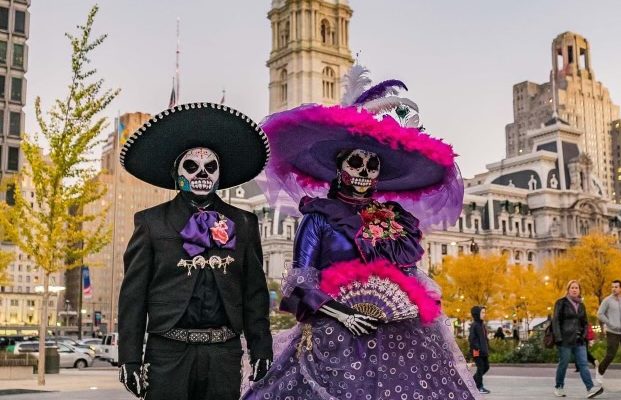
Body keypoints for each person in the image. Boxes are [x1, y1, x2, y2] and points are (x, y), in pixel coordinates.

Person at [243, 65, 480, 399]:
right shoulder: (319, 216)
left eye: (373, 166)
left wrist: (414, 299)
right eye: (357, 163)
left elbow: (407, 273)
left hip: (401, 338)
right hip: (337, 337)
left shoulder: (393, 218)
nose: (365, 172)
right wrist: (345, 314)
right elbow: (300, 284)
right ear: (340, 168)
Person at [117, 103, 273, 400]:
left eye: (210, 166)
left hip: (223, 353)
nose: (202, 173)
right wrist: (130, 358)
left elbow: (254, 292)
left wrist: (260, 347)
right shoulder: (151, 223)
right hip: (168, 353)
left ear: (219, 175)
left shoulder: (243, 222)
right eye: (191, 166)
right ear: (177, 174)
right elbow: (133, 296)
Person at [552, 280, 603, 398]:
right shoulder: (561, 303)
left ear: (579, 290)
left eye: (577, 288)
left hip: (579, 340)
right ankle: (559, 387)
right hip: (564, 340)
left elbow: (585, 322)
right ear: (568, 289)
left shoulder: (581, 305)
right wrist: (558, 337)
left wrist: (584, 334)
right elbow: (556, 321)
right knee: (563, 364)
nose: (574, 290)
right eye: (572, 288)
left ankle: (590, 388)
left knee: (583, 364)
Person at [469, 306, 491, 394]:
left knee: (486, 367)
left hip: (483, 351)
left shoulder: (482, 325)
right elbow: (472, 339)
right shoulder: (474, 325)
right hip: (476, 351)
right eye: (482, 312)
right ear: (477, 314)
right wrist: (478, 348)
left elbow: (484, 339)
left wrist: (487, 348)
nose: (484, 314)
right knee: (481, 367)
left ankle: (472, 381)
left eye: (484, 312)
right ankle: (479, 387)